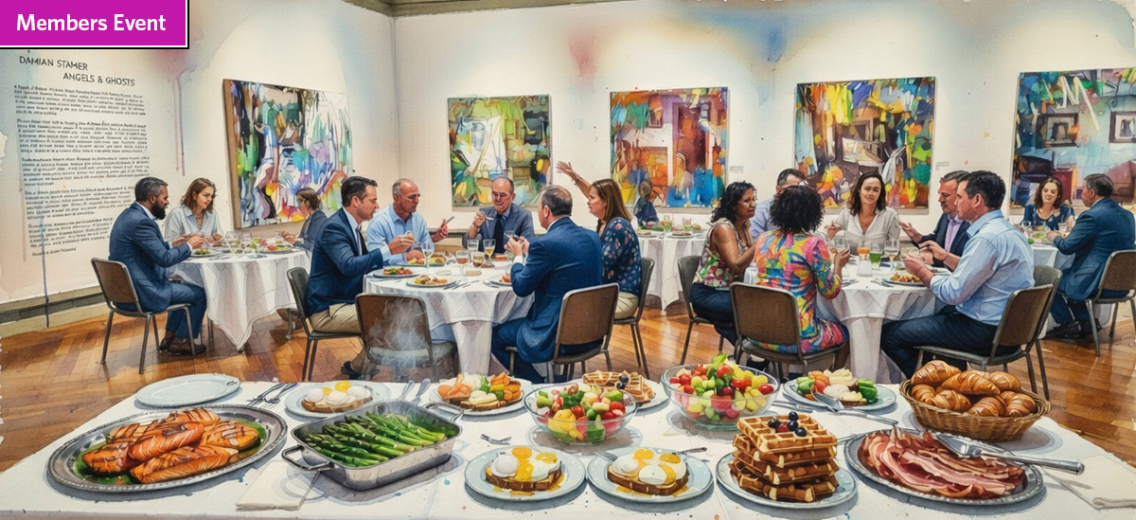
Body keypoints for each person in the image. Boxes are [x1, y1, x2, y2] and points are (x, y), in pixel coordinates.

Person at [881, 171, 1034, 377]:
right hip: (1011, 332)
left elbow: (953, 294)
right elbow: (982, 270)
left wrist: (922, 272)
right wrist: (945, 257)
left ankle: (935, 384)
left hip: (985, 332)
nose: (956, 203)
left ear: (977, 200)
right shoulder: (1010, 232)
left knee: (890, 335)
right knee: (931, 315)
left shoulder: (986, 238)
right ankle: (952, 378)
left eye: (960, 197)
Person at [491, 186, 603, 383]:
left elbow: (521, 287)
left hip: (556, 334)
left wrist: (518, 256)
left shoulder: (545, 243)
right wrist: (530, 251)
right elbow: (563, 263)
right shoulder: (592, 237)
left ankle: (537, 383)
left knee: (495, 336)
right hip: (592, 331)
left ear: (546, 211)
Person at [306, 176, 413, 378]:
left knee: (396, 310)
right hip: (328, 310)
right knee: (393, 319)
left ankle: (360, 367)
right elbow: (349, 266)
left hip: (343, 301)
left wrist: (395, 267)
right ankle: (362, 369)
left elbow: (363, 264)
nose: (377, 205)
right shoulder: (334, 228)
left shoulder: (351, 226)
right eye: (373, 200)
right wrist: (388, 249)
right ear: (356, 201)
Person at [109, 177, 207, 355]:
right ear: (152, 198)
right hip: (142, 294)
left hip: (125, 293)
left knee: (181, 286)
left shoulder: (128, 216)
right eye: (165, 198)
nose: (167, 202)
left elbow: (150, 250)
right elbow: (164, 259)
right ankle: (181, 341)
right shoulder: (142, 222)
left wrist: (173, 244)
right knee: (200, 294)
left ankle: (169, 338)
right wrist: (189, 245)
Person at [752, 185, 851, 354]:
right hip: (798, 336)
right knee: (847, 332)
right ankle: (831, 372)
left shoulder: (763, 239)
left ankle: (777, 368)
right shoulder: (813, 244)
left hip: (759, 332)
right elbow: (829, 291)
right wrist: (838, 266)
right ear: (812, 213)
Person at [1047, 174, 1136, 339]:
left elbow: (1067, 247)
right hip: (1123, 284)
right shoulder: (1128, 216)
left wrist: (1054, 237)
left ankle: (1068, 325)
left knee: (1048, 280)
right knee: (1071, 274)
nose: (1081, 194)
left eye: (1083, 190)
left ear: (1092, 192)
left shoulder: (1092, 216)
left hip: (1096, 283)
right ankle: (1086, 323)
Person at [557, 162, 643, 318]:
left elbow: (600, 264)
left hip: (622, 298)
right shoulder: (606, 223)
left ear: (606, 202)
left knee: (567, 308)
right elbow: (595, 193)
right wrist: (576, 178)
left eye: (592, 198)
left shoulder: (617, 227)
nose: (588, 201)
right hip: (609, 293)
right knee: (563, 302)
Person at [690, 181, 759, 346]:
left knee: (762, 304)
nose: (753, 204)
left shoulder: (743, 226)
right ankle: (749, 351)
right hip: (708, 294)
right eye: (747, 200)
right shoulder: (724, 228)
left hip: (728, 291)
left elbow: (751, 261)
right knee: (752, 309)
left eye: (753, 199)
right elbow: (736, 267)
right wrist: (760, 242)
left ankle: (747, 350)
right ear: (733, 205)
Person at [365, 179, 449, 265]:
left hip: (417, 271)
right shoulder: (378, 222)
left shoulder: (419, 220)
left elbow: (428, 249)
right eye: (411, 197)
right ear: (396, 198)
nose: (417, 201)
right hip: (388, 272)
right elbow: (375, 258)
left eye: (418, 196)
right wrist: (405, 257)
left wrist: (434, 238)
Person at [899, 170, 970, 270]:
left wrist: (933, 260)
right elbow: (937, 242)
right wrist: (917, 237)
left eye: (945, 195)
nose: (940, 199)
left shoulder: (973, 224)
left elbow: (971, 266)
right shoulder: (945, 217)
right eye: (940, 194)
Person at [825, 172, 900, 247]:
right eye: (867, 189)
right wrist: (831, 235)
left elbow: (894, 248)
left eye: (875, 190)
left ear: (880, 193)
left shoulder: (890, 215)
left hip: (879, 255)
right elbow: (833, 242)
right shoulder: (847, 213)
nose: (871, 193)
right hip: (851, 255)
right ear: (859, 190)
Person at [467, 177, 535, 255]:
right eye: (495, 194)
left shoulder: (524, 216)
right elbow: (466, 244)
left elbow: (528, 249)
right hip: (487, 261)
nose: (498, 199)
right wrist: (474, 227)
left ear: (512, 197)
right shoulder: (484, 213)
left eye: (502, 195)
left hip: (511, 261)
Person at [750, 168, 807, 241]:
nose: (797, 193)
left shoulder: (801, 208)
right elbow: (756, 242)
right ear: (778, 189)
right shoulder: (760, 210)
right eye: (792, 189)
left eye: (801, 190)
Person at [163, 178, 224, 244]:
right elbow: (169, 244)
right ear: (194, 195)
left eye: (212, 196)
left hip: (210, 251)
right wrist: (192, 241)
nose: (210, 199)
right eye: (206, 195)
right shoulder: (176, 214)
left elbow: (220, 239)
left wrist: (216, 239)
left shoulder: (212, 214)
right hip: (187, 251)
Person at [285, 187, 328, 251]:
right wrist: (293, 238)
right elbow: (305, 239)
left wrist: (295, 242)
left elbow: (313, 246)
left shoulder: (319, 219)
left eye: (299, 201)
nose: (298, 205)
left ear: (308, 202)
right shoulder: (310, 217)